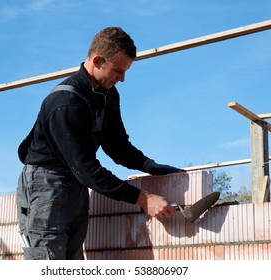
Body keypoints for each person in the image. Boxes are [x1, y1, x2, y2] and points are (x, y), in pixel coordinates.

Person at [17, 27, 183, 260]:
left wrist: (148, 165)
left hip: (75, 184)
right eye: (118, 70)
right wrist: (143, 199)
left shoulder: (108, 93)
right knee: (47, 260)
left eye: (125, 72)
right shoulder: (64, 103)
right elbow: (87, 169)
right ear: (97, 60)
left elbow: (117, 145)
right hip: (47, 185)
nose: (122, 79)